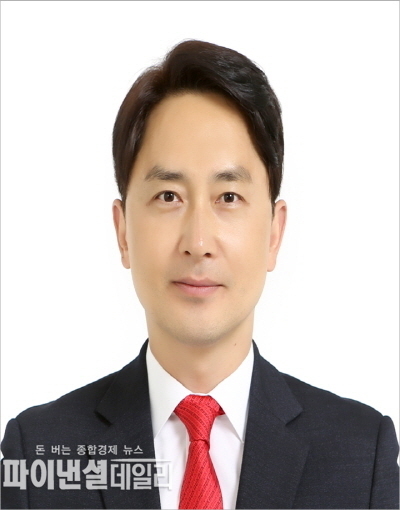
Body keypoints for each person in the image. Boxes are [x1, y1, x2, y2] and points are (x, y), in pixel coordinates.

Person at [1, 39, 398, 510]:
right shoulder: (39, 453)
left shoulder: (361, 455)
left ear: (274, 233)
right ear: (123, 231)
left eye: (228, 197)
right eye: (168, 196)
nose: (198, 241)